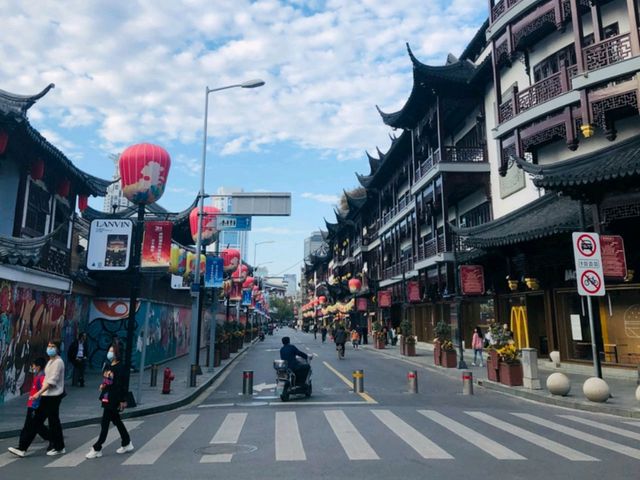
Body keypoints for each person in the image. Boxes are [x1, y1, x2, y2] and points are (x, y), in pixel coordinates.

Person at [9, 341, 66, 458]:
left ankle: (58, 447)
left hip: (53, 397)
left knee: (52, 422)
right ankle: (23, 448)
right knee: (41, 422)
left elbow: (51, 382)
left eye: (53, 346)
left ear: (58, 349)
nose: (50, 348)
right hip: (47, 396)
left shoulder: (58, 362)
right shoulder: (50, 362)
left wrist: (38, 393)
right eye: (49, 346)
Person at [86, 341, 133, 458]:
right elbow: (107, 380)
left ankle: (97, 447)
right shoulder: (109, 365)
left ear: (117, 353)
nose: (109, 353)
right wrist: (103, 386)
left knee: (105, 423)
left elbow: (121, 385)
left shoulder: (120, 368)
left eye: (112, 351)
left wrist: (122, 400)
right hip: (107, 397)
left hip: (114, 398)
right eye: (109, 351)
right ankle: (126, 442)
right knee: (116, 420)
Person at [15, 358, 51, 452]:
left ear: (38, 367)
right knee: (38, 426)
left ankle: (21, 447)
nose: (32, 367)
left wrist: (37, 404)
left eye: (33, 365)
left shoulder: (41, 377)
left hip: (34, 405)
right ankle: (53, 438)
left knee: (28, 427)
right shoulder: (38, 375)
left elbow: (43, 392)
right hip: (32, 404)